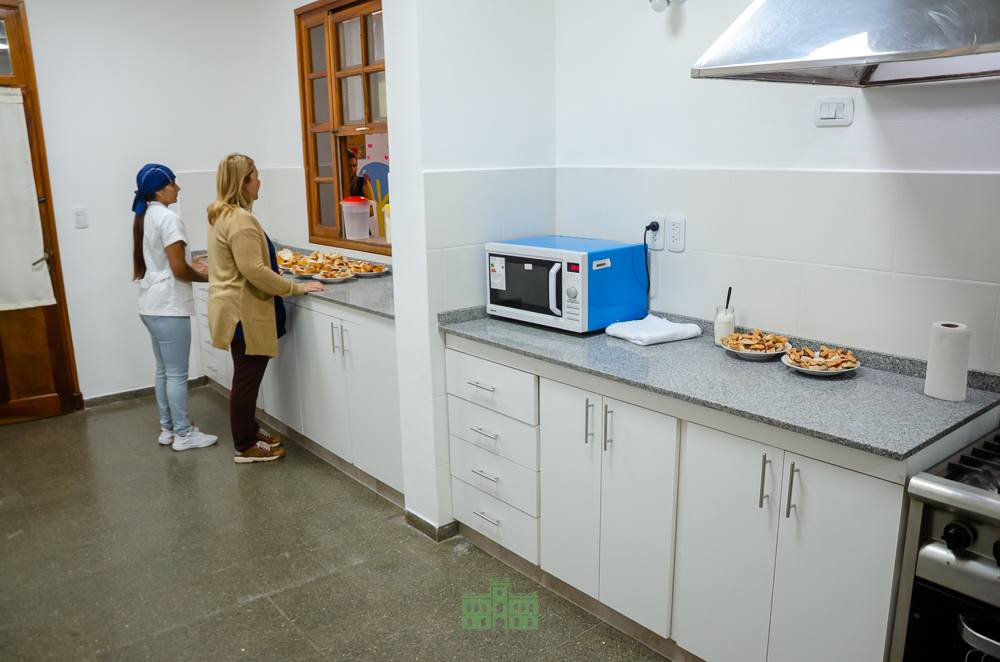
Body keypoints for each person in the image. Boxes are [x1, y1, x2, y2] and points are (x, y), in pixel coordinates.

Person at [206, 153, 323, 463]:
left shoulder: (223, 214)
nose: (260, 181)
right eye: (255, 176)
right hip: (242, 312)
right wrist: (295, 287)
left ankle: (250, 430)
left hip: (231, 307)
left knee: (247, 376)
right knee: (247, 379)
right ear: (243, 183)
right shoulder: (240, 219)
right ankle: (244, 445)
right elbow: (254, 270)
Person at [132, 163, 218, 451]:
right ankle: (184, 435)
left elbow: (164, 261)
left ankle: (168, 429)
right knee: (177, 374)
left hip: (150, 304)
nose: (178, 188)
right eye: (173, 183)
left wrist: (193, 264)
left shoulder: (145, 215)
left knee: (164, 371)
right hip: (168, 305)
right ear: (159, 190)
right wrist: (209, 277)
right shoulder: (169, 218)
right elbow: (179, 270)